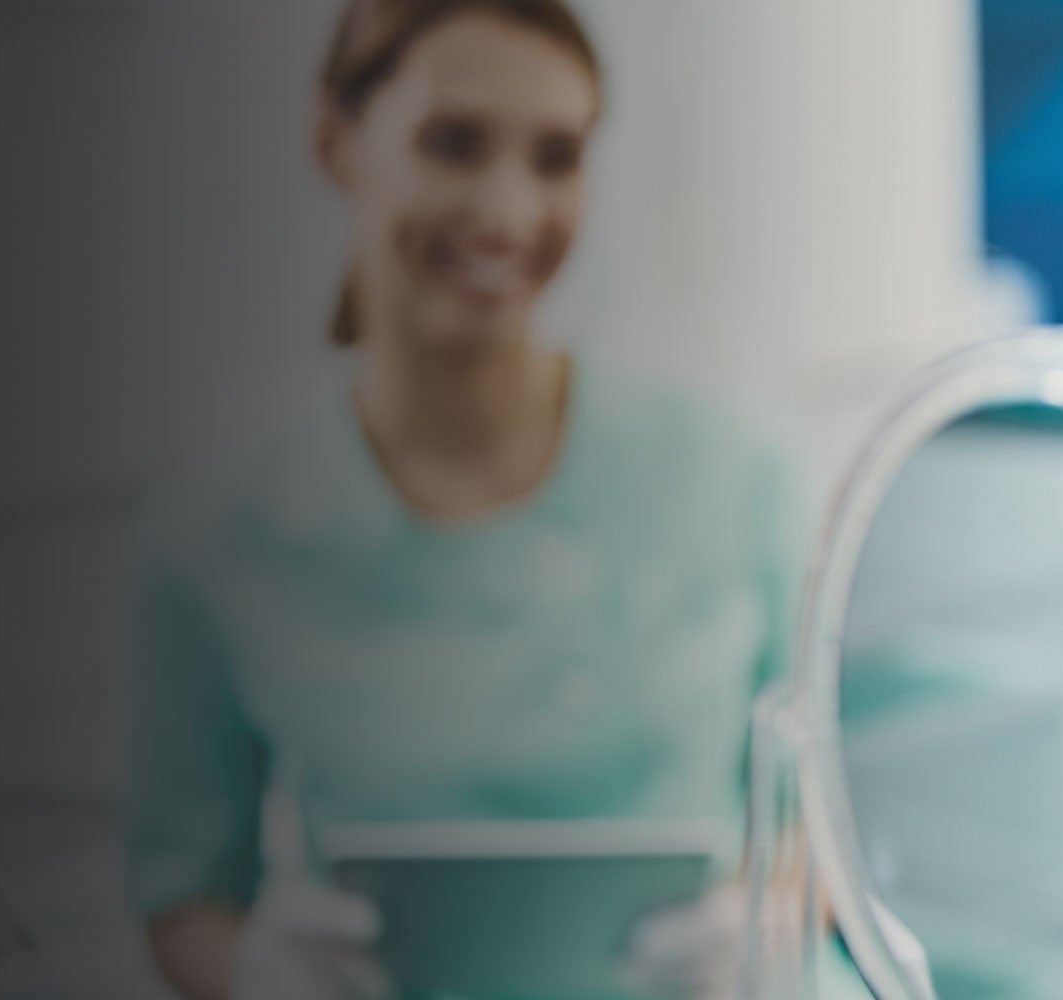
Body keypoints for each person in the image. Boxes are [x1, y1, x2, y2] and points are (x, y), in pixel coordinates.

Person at [124, 2, 796, 997]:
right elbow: (183, 899)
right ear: (333, 140)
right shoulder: (213, 537)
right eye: (454, 143)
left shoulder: (740, 472)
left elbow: (827, 824)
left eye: (558, 156)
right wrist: (250, 975)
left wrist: (768, 928)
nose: (509, 212)